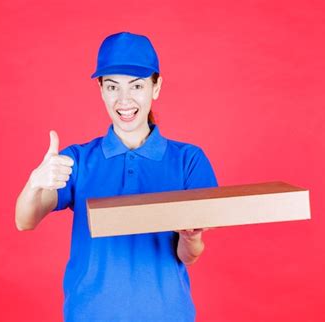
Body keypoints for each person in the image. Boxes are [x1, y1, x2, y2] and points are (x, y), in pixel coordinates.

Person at [15, 31, 218, 322]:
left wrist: (191, 236)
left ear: (156, 87)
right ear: (100, 90)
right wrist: (35, 182)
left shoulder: (188, 160)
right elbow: (25, 221)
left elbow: (190, 255)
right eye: (112, 87)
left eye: (136, 86)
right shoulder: (79, 159)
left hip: (167, 315)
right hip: (89, 315)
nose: (124, 100)